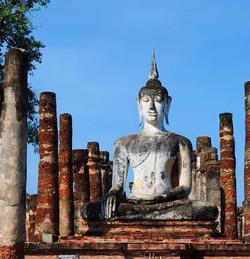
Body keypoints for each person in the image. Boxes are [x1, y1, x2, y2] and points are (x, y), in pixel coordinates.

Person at [83, 52, 217, 221]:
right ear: (139, 104)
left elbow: (184, 187)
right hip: (134, 202)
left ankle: (138, 217)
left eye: (158, 100)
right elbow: (118, 185)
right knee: (90, 210)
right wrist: (111, 195)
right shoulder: (123, 143)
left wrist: (160, 198)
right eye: (146, 100)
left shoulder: (180, 141)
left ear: (167, 104)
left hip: (168, 203)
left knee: (205, 210)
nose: (152, 107)